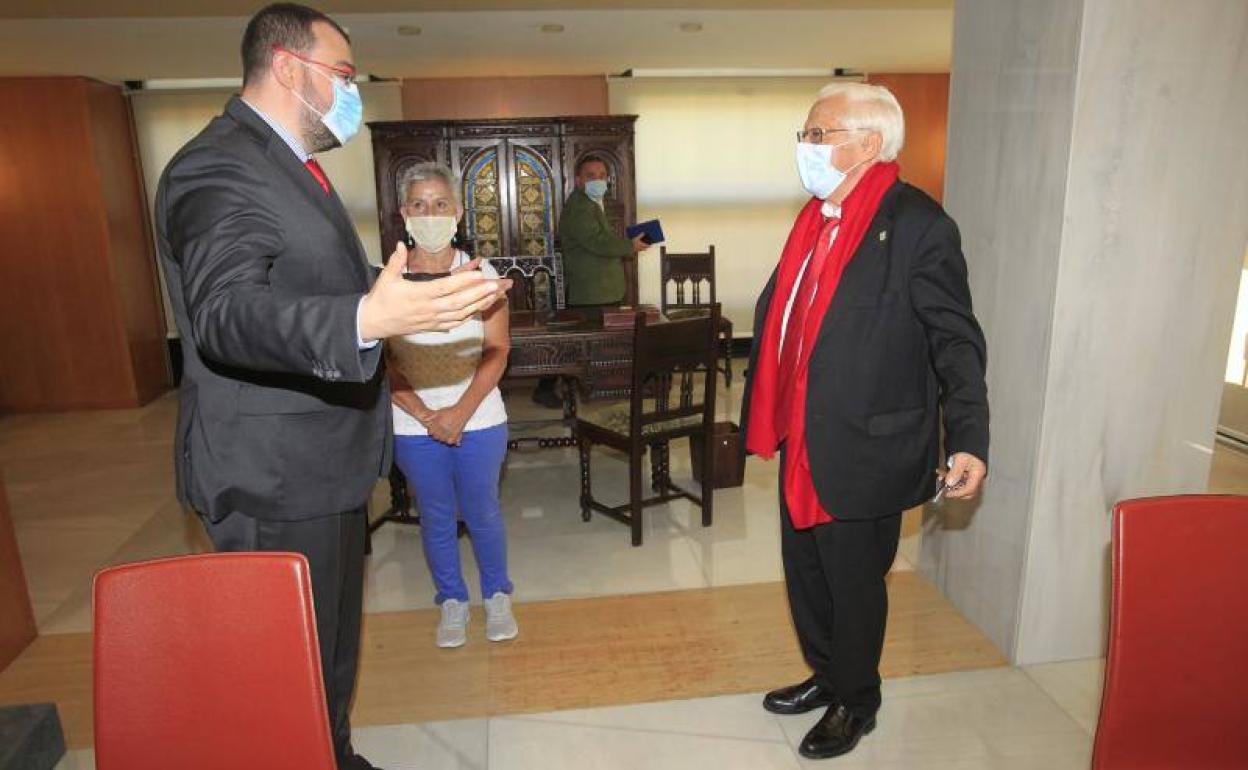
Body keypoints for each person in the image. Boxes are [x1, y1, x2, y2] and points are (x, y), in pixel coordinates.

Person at [153, 5, 509, 769]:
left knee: (328, 655)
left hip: (323, 464)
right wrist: (364, 316)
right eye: (343, 76)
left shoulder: (290, 169)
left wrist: (407, 302)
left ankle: (333, 754)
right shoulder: (220, 166)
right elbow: (225, 312)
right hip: (274, 474)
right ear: (288, 67)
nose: (353, 94)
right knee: (283, 670)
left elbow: (303, 284)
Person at [741, 82, 989, 761]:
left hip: (867, 444)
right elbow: (787, 317)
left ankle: (858, 699)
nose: (806, 147)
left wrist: (969, 436)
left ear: (868, 143)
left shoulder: (917, 224)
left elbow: (955, 340)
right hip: (804, 437)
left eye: (818, 134)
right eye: (807, 133)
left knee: (854, 585)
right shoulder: (814, 217)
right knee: (808, 574)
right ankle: (826, 675)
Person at [387, 162, 517, 649]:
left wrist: (459, 413)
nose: (430, 214)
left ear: (458, 213)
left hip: (480, 416)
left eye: (441, 204)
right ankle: (452, 600)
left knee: (482, 511)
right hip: (412, 423)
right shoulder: (389, 282)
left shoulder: (482, 277)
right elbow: (384, 363)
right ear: (404, 214)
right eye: (419, 205)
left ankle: (498, 594)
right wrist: (426, 417)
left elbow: (498, 350)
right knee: (436, 515)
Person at [531, 156, 650, 408]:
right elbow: (598, 242)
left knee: (577, 343)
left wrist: (628, 241)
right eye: (590, 175)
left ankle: (594, 386)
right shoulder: (581, 206)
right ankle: (559, 388)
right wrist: (631, 245)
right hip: (590, 290)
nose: (598, 180)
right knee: (575, 345)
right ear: (578, 180)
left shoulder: (593, 202)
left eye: (602, 174)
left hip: (598, 287)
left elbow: (601, 239)